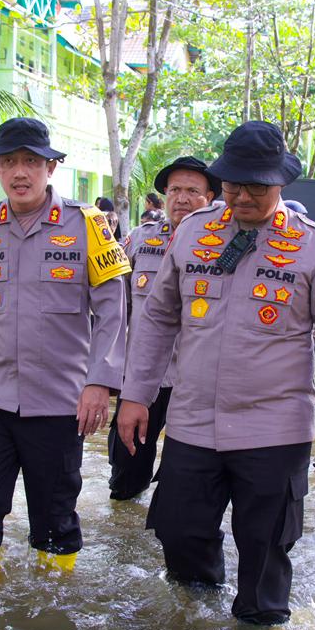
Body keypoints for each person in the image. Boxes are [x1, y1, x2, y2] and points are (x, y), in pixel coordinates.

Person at [116, 121, 315, 625]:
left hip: (274, 430)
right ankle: (196, 627)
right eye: (233, 185)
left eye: (257, 187)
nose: (243, 196)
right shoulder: (193, 233)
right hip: (192, 423)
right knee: (178, 531)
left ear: (281, 185)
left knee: (265, 553)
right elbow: (159, 316)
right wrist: (135, 395)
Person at [0, 117, 129, 575]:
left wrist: (100, 382)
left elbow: (113, 312)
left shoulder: (91, 225)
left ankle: (51, 620)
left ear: (50, 168)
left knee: (54, 519)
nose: (20, 173)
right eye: (9, 162)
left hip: (60, 403)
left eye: (31, 162)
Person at [107, 155, 219, 501]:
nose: (182, 198)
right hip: (144, 379)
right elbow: (114, 308)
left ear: (211, 198)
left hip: (195, 381)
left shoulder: (223, 246)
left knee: (184, 478)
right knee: (126, 469)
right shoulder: (140, 240)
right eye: (175, 190)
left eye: (192, 191)